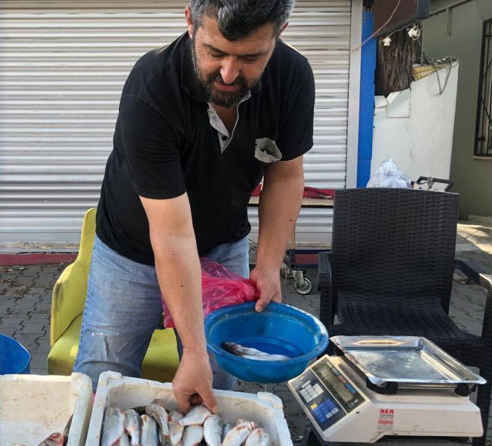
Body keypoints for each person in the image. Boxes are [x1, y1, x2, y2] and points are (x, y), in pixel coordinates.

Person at [72, 0, 314, 414]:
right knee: (102, 374)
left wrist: (270, 264)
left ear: (281, 31)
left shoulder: (293, 76)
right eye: (214, 52)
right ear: (189, 20)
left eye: (251, 57)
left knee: (218, 377)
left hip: (222, 244)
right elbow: (172, 233)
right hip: (131, 254)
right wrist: (192, 355)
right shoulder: (151, 88)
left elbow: (286, 175)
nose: (229, 73)